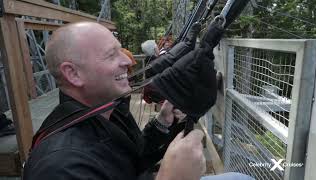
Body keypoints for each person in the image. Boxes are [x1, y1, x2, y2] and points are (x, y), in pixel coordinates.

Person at [23, 22, 254, 180]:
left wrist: (163, 124)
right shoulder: (61, 168)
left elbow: (132, 158)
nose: (127, 61)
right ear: (73, 74)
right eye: (111, 55)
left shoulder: (109, 109)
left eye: (121, 51)